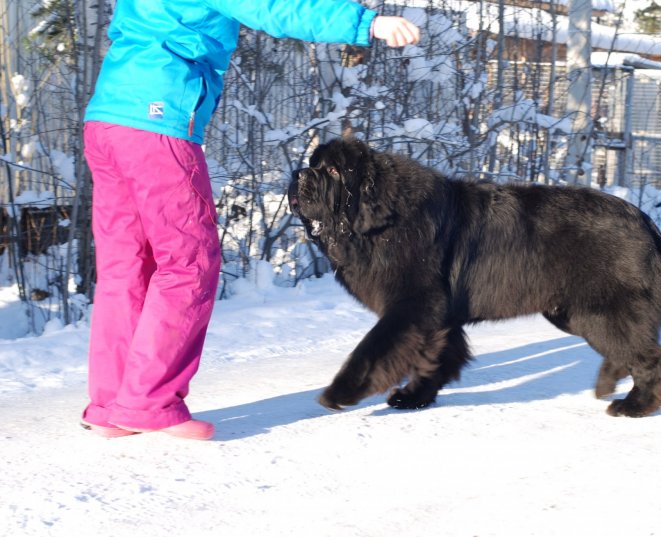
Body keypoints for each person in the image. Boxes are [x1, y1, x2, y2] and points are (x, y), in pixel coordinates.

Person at [80, 0, 420, 440]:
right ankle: (148, 403)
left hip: (108, 118)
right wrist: (366, 23)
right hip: (156, 118)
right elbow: (274, 7)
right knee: (188, 263)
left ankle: (111, 405)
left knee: (125, 266)